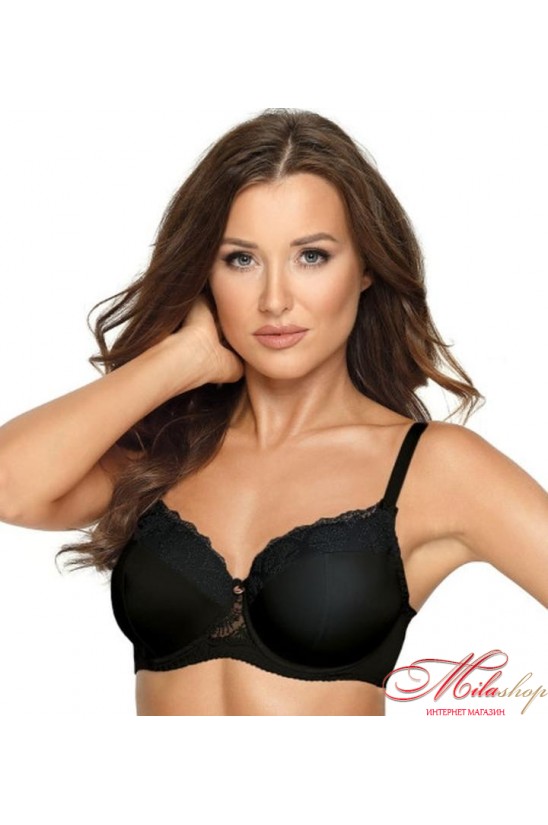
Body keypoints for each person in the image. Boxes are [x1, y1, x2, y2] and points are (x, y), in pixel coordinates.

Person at [0, 108, 546, 717]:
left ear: (366, 267)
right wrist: (181, 359)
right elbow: (9, 487)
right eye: (241, 259)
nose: (275, 300)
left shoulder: (433, 466)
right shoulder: (167, 451)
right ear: (204, 273)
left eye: (311, 256)